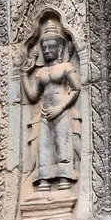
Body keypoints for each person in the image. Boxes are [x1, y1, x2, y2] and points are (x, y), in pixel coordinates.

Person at [21, 20, 81, 192]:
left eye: (51, 47)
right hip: (45, 113)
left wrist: (60, 108)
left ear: (59, 49)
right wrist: (25, 74)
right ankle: (44, 181)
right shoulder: (41, 72)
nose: (47, 51)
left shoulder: (66, 66)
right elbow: (33, 96)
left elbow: (76, 90)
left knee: (63, 144)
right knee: (44, 147)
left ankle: (64, 179)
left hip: (61, 110)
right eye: (44, 47)